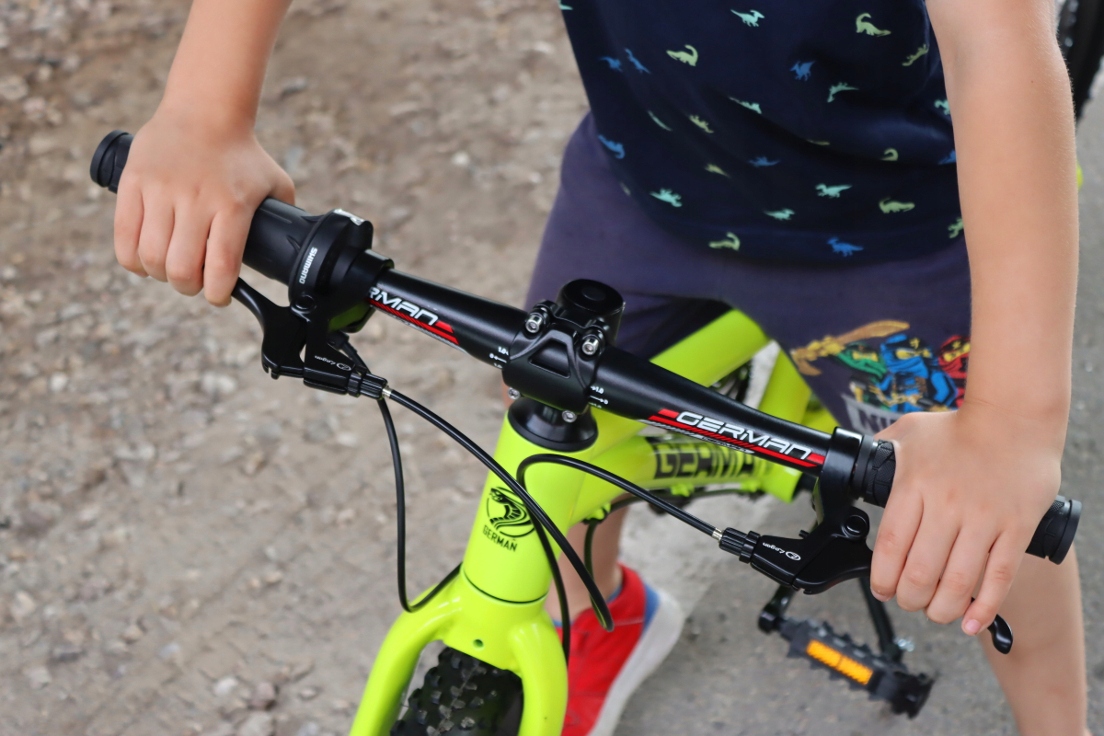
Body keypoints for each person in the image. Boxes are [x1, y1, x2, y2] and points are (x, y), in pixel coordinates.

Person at [111, 1, 1090, 735]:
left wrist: (1010, 427)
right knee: (546, 398)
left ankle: (1057, 720)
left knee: (988, 534)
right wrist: (204, 108)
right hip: (644, 178)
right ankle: (600, 612)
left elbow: (998, 41)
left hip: (888, 226)